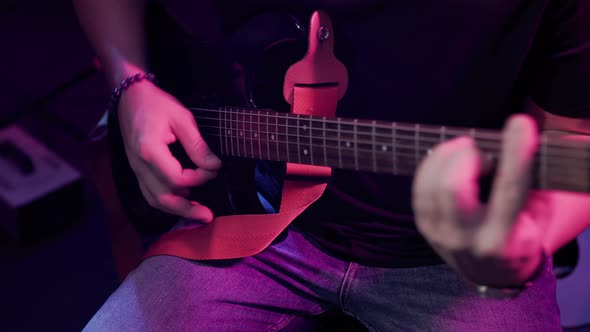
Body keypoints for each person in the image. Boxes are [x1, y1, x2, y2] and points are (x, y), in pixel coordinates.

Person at [73, 0, 590, 330]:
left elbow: (575, 148)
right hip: (259, 222)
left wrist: (531, 235)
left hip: (451, 267)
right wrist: (130, 83)